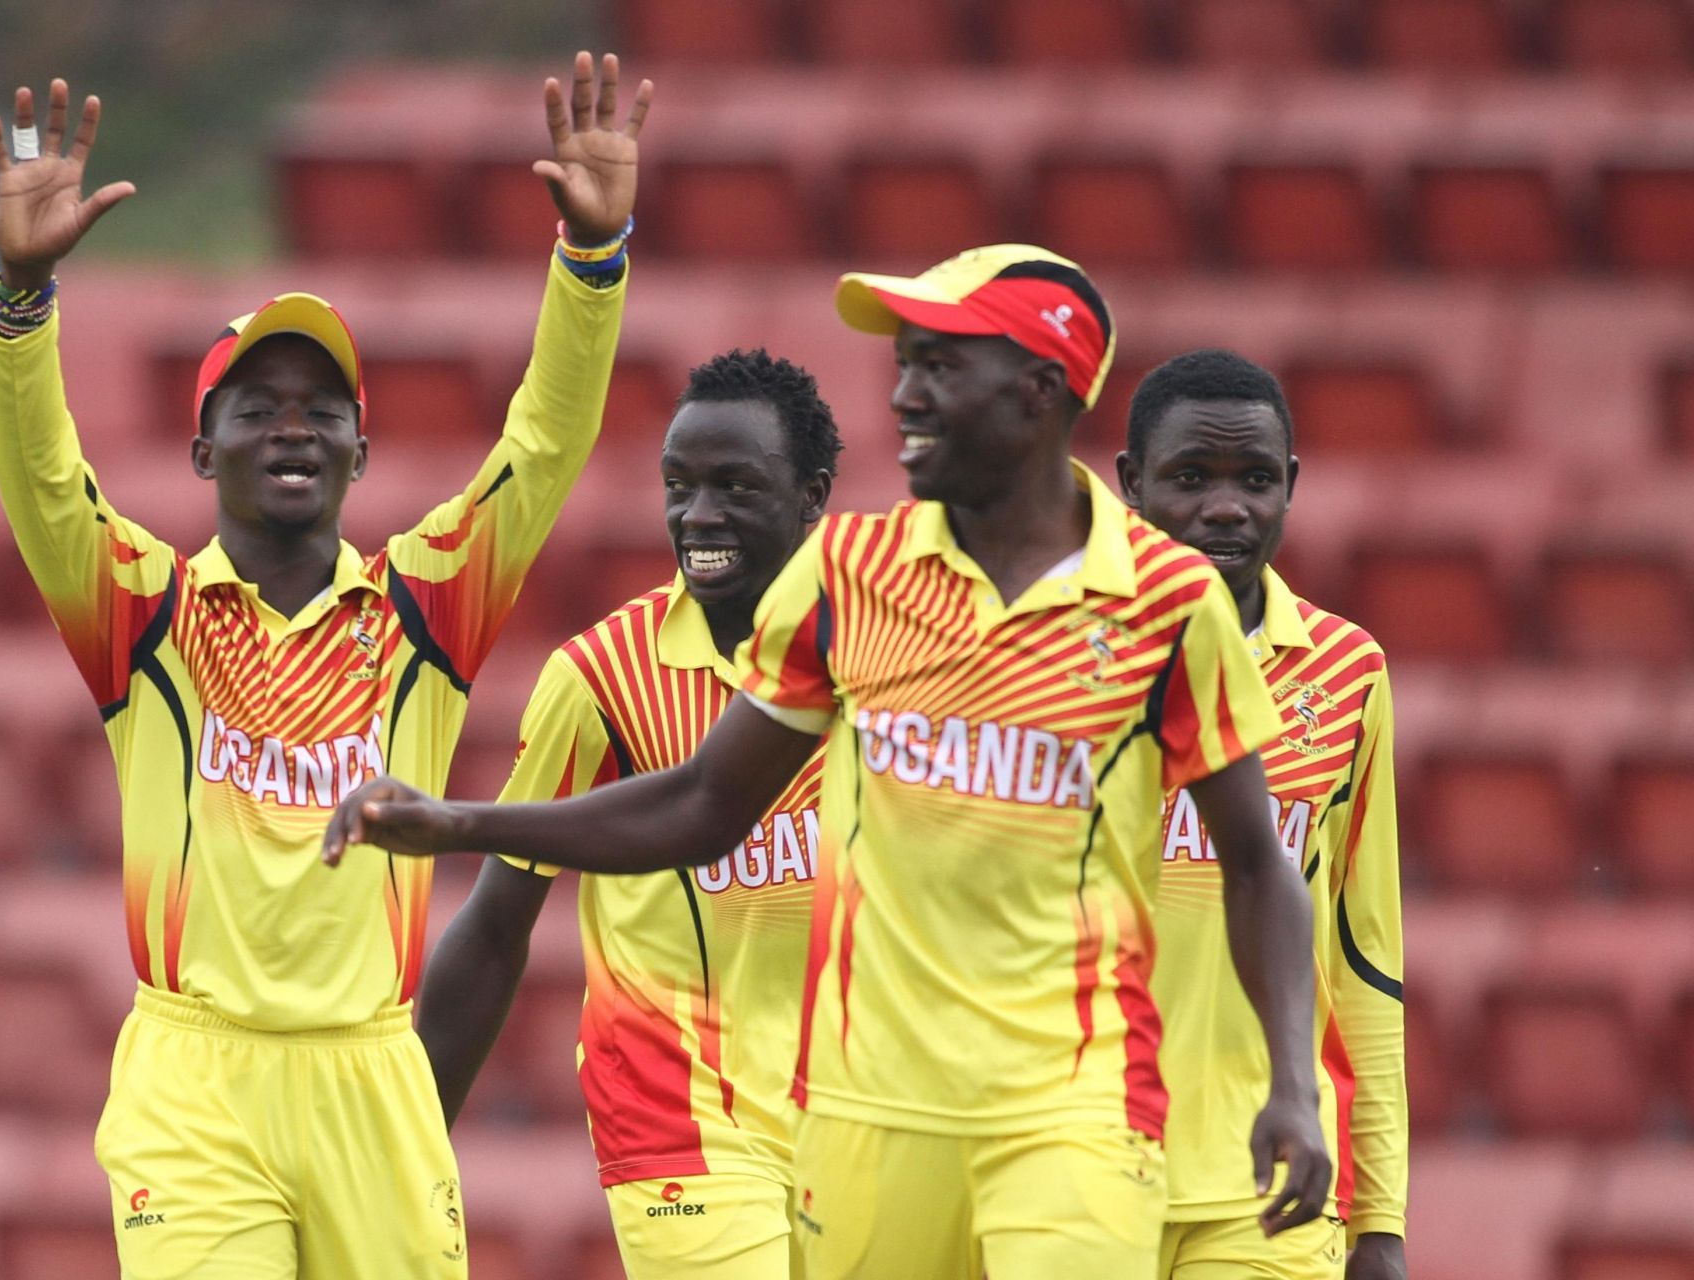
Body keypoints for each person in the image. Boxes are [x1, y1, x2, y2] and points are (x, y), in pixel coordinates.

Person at [326, 245, 1333, 1279]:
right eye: (905, 365)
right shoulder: (851, 574)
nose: (905, 394)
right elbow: (709, 801)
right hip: (867, 1112)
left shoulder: (1171, 603)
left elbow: (1260, 865)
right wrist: (462, 823)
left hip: (1075, 1104)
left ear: (1041, 391)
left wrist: (1291, 1081)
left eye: (940, 367)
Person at [0, 56, 650, 1278]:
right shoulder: (145, 612)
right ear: (202, 449)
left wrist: (592, 266)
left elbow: (544, 444)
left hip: (372, 1074)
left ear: (358, 446)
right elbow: (39, 477)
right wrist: (24, 299)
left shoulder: (425, 607)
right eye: (256, 406)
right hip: (198, 1081)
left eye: (320, 405)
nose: (292, 423)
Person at [418, 349, 840, 1279]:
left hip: (862, 1114)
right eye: (679, 486)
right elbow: (496, 926)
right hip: (678, 1119)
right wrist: (399, 1150)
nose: (699, 517)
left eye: (735, 486)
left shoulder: (883, 666)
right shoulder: (602, 678)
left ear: (812, 495)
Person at [1116, 349, 1406, 1280]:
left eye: (1255, 479)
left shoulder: (1347, 671)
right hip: (1073, 1166)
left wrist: (1383, 1222)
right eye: (1189, 478)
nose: (1225, 507)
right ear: (1131, 486)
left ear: (1292, 486)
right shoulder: (1054, 655)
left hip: (1269, 1185)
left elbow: (1364, 959)